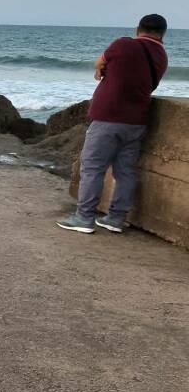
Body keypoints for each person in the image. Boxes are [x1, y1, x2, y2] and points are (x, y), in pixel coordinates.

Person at [57, 14, 168, 234]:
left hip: (108, 118)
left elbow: (100, 63)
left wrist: (100, 71)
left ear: (138, 29)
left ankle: (84, 218)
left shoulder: (123, 44)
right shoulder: (162, 56)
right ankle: (116, 219)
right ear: (163, 34)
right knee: (125, 171)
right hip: (137, 121)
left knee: (92, 168)